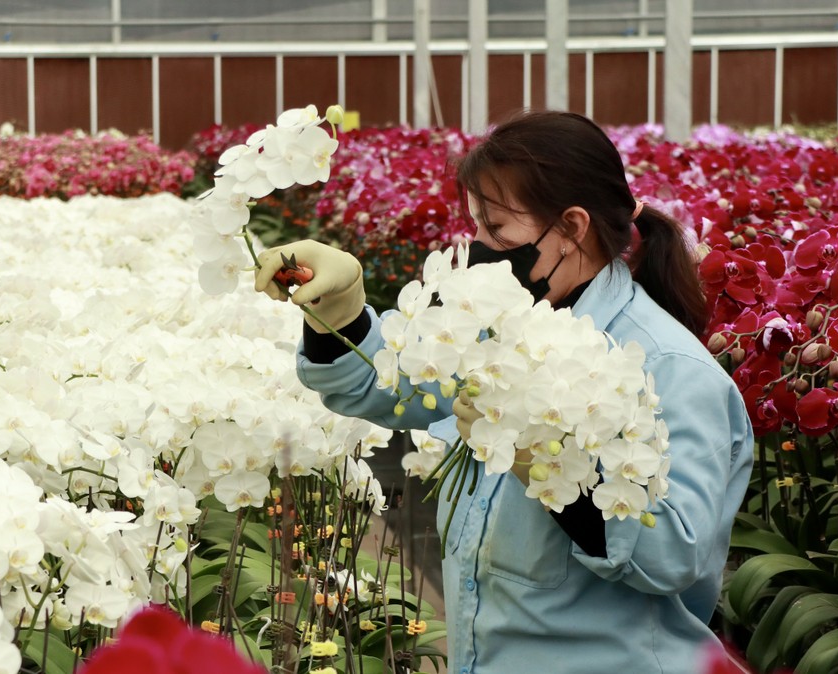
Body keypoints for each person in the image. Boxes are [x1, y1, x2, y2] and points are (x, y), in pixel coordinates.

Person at [253, 110, 755, 674]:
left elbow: (673, 552)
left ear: (571, 228)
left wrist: (547, 462)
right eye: (475, 227)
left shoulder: (670, 368)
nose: (479, 247)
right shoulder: (495, 327)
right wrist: (335, 310)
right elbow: (379, 385)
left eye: (496, 229)